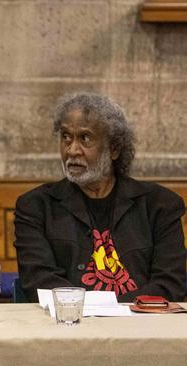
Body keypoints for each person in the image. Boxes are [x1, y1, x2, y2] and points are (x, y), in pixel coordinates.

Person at [14, 92, 186, 302]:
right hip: (68, 327)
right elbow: (39, 282)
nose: (72, 150)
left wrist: (114, 313)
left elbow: (169, 285)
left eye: (85, 138)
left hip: (143, 326)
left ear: (113, 148)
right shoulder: (35, 207)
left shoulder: (160, 205)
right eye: (66, 137)